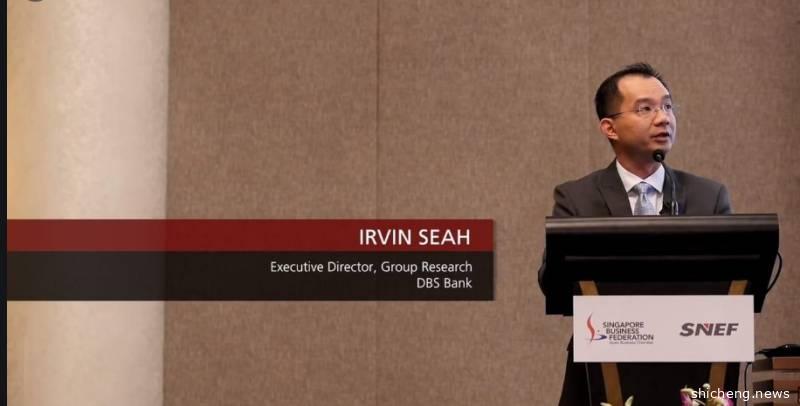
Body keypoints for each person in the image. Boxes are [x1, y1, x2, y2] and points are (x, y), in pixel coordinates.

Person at [539, 63, 737, 405]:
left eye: (668, 106)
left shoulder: (709, 197)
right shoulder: (576, 198)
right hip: (606, 367)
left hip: (695, 368)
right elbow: (553, 283)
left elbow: (731, 286)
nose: (663, 118)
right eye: (645, 109)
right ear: (609, 127)